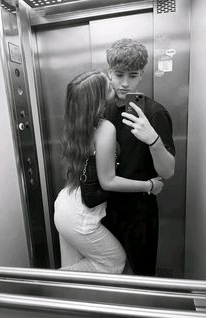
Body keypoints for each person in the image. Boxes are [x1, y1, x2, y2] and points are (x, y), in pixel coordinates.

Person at [54, 70, 163, 274]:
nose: (115, 85)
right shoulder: (105, 128)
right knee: (114, 262)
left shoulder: (77, 123)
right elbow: (108, 182)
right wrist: (149, 185)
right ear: (97, 98)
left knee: (76, 266)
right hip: (80, 216)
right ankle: (52, 284)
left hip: (65, 205)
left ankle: (67, 295)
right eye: (108, 85)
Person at [103, 38, 176, 276]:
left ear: (141, 74)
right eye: (119, 75)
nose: (125, 83)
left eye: (132, 75)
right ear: (109, 73)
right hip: (106, 207)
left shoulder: (155, 113)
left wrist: (152, 139)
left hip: (140, 214)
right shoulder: (104, 110)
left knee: (143, 273)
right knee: (112, 270)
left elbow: (168, 172)